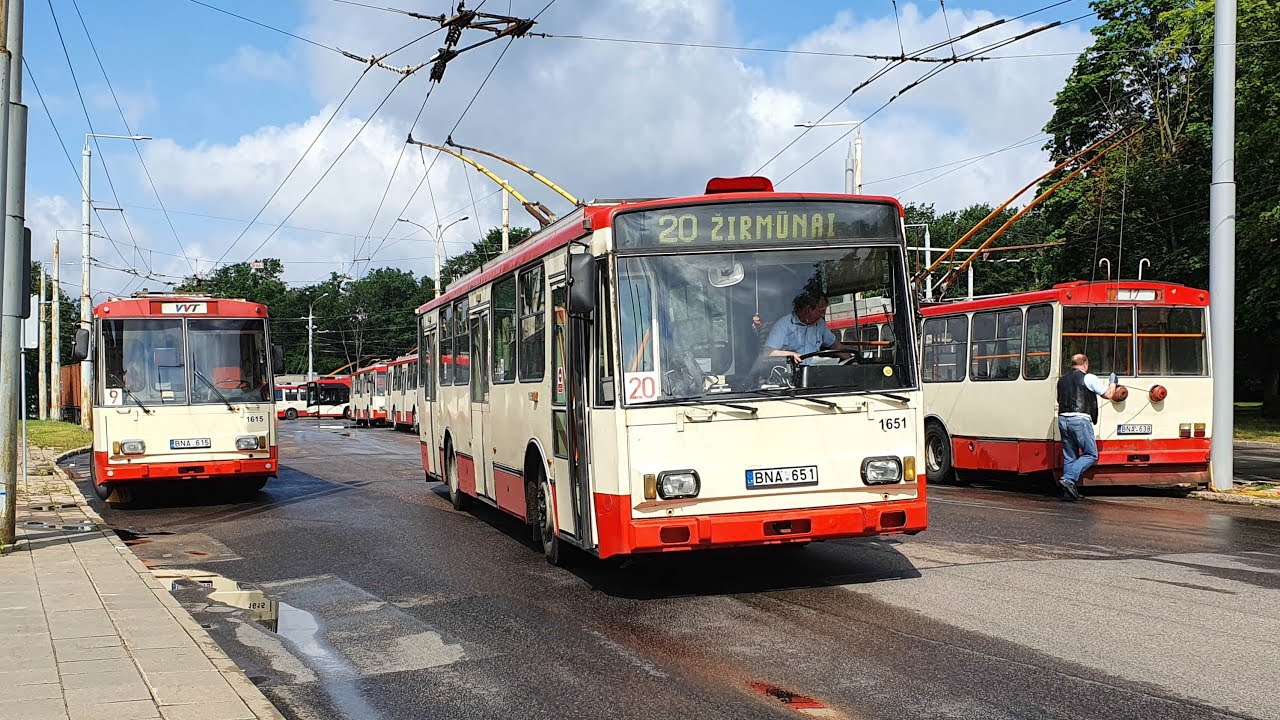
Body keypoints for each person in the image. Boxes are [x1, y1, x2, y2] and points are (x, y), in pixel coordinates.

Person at [1056, 353, 1117, 501]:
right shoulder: (1089, 377)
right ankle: (1068, 478)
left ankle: (1068, 494)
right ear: (1085, 364)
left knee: (1070, 457)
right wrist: (1113, 382)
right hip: (1080, 419)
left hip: (1063, 419)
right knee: (1091, 454)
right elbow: (1108, 394)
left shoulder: (1062, 380)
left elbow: (1059, 399)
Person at [764, 290, 848, 365]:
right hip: (792, 375)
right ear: (808, 309)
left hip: (814, 372)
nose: (823, 315)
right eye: (821, 311)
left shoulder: (820, 323)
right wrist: (790, 355)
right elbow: (768, 352)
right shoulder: (783, 324)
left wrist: (851, 359)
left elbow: (834, 344)